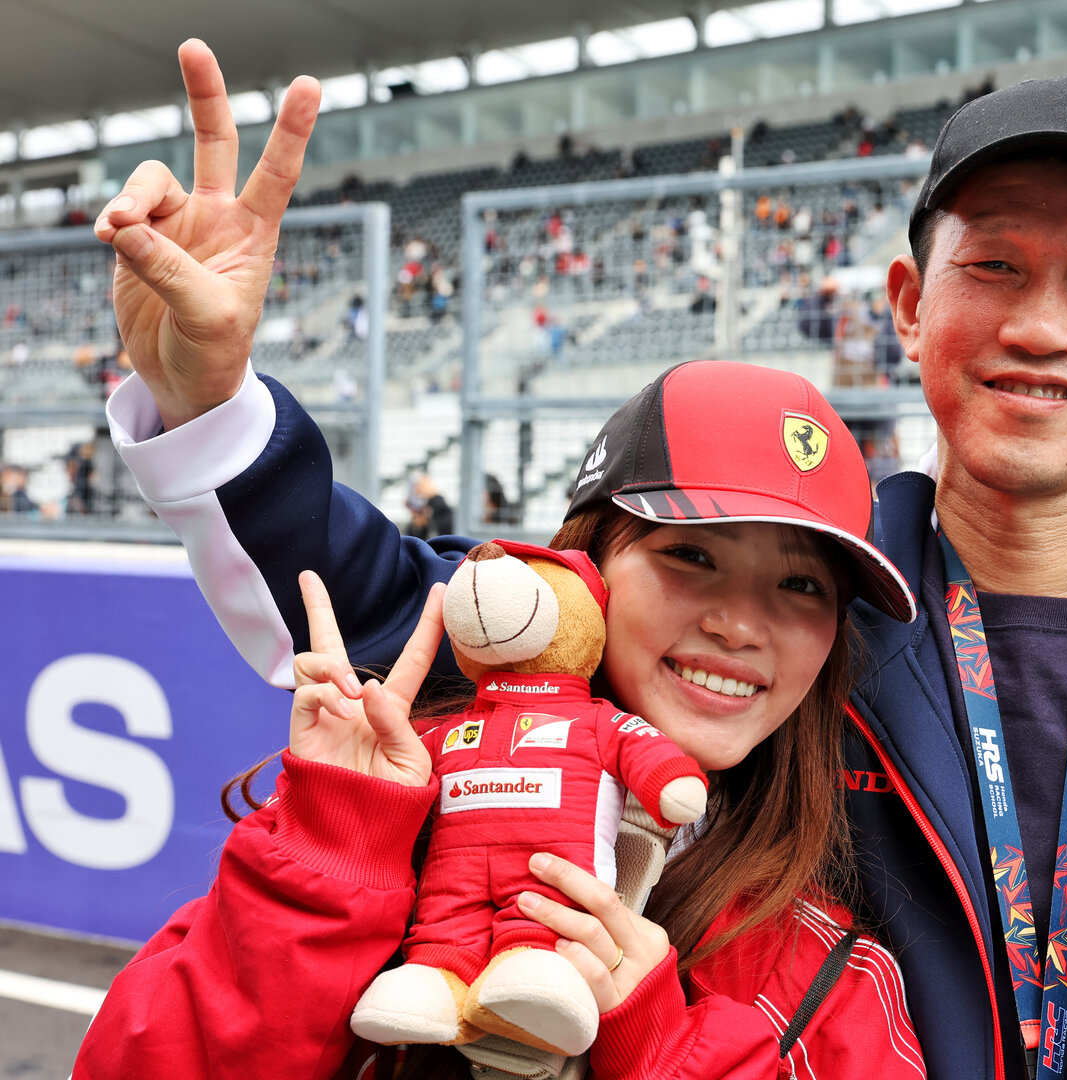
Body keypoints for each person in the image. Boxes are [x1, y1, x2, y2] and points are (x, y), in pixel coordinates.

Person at [90, 45, 1067, 1078]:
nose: (1037, 323)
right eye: (994, 265)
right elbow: (417, 613)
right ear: (904, 301)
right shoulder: (796, 598)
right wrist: (210, 398)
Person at [76, 42, 925, 1080]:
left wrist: (660, 1043)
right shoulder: (398, 807)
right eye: (692, 557)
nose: (742, 624)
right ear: (584, 570)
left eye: (803, 585)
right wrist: (335, 867)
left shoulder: (832, 959)